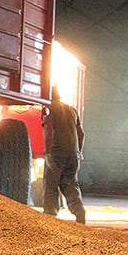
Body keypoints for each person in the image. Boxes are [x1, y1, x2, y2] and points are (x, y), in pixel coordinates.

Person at [42, 86, 87, 224]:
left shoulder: (49, 108)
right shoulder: (72, 110)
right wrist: (79, 152)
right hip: (73, 156)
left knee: (50, 186)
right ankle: (80, 214)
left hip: (57, 155)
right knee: (70, 184)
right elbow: (81, 133)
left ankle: (50, 218)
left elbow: (49, 129)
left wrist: (48, 154)